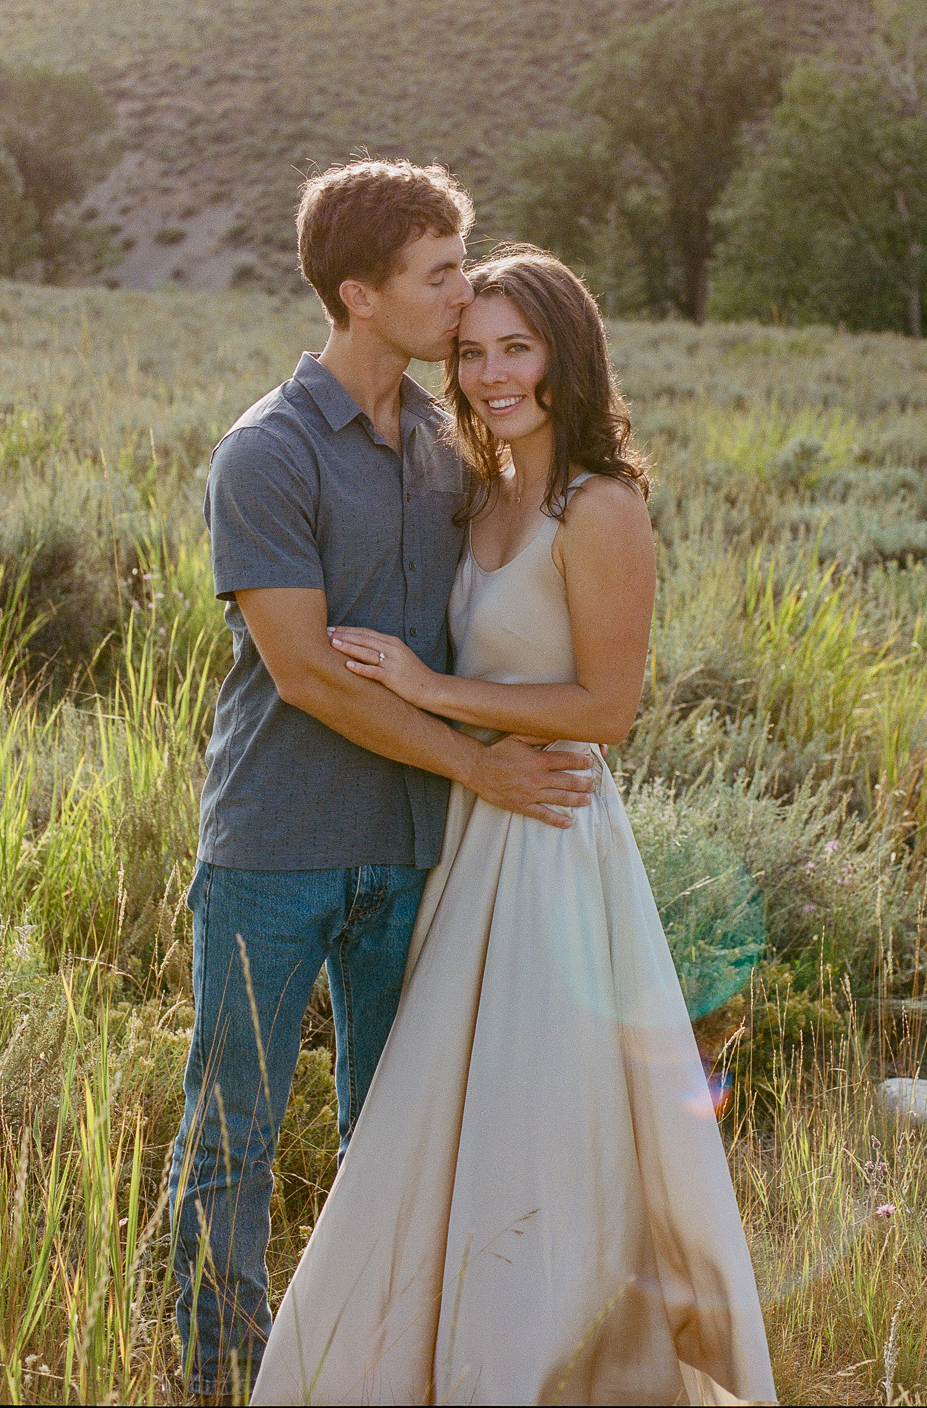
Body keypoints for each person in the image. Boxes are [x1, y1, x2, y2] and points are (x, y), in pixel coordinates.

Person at [250, 248, 776, 1407]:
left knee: (540, 1111)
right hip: (468, 830)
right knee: (435, 1117)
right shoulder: (477, 490)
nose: (491, 373)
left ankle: (542, 1366)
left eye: (517, 348)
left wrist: (431, 692)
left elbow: (608, 707)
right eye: (473, 348)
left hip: (549, 832)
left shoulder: (601, 503)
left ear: (566, 353)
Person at [168, 163, 599, 1405]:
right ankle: (219, 1377)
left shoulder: (444, 443)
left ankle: (365, 1370)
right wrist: (479, 763)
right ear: (361, 294)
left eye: (462, 268)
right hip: (276, 844)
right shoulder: (267, 451)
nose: (463, 294)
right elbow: (304, 673)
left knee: (393, 1135)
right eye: (442, 273)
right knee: (233, 1133)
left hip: (415, 848)